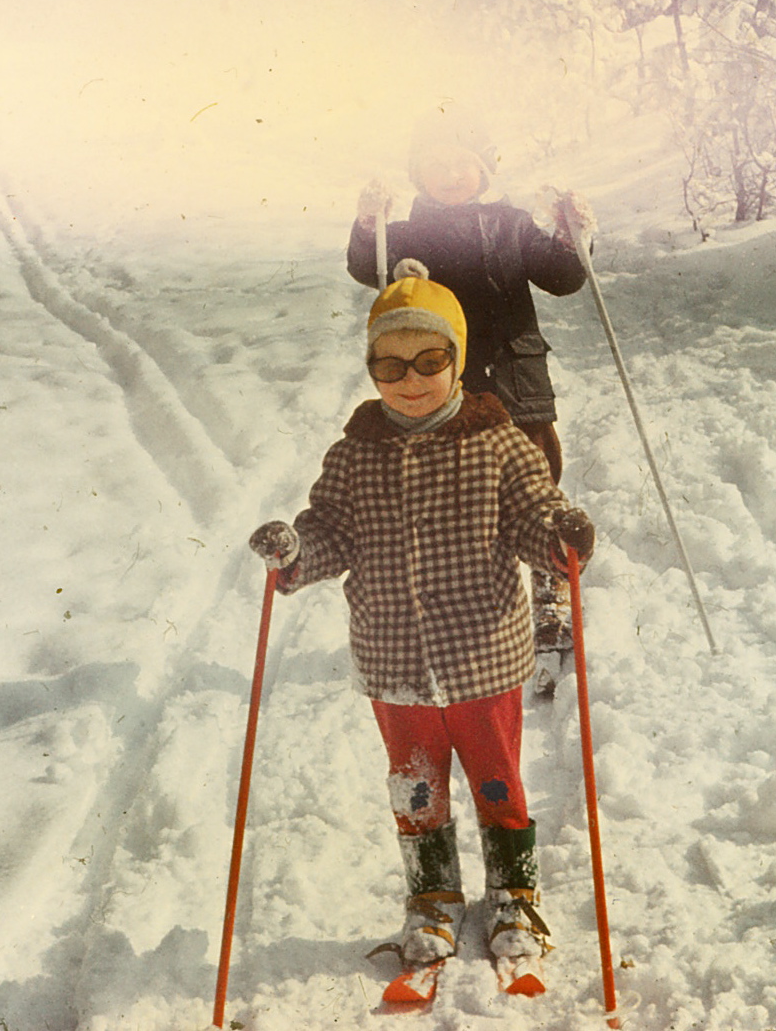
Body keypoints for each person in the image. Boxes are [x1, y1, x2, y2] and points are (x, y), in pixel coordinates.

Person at [249, 271, 595, 971]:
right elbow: (331, 530)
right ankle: (433, 895)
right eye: (390, 366)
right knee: (414, 786)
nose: (410, 380)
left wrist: (559, 538)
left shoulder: (498, 443)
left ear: (457, 360)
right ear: (372, 369)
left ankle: (514, 892)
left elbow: (533, 514)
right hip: (393, 660)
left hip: (482, 656)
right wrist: (297, 553)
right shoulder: (354, 454)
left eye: (429, 360)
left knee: (496, 779)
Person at [346, 106, 596, 695]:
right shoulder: (405, 233)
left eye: (463, 163)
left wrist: (572, 234)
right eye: (437, 165)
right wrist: (367, 224)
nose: (452, 175)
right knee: (451, 491)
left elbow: (563, 278)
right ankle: (459, 603)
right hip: (439, 381)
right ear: (418, 173)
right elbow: (368, 269)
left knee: (536, 476)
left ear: (484, 170)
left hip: (513, 376)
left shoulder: (511, 224)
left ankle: (549, 592)